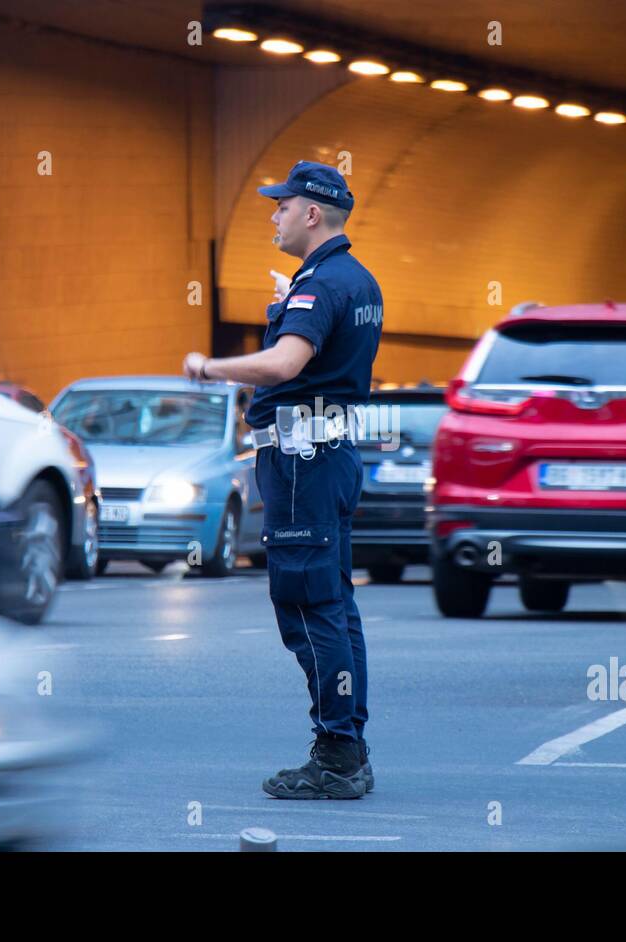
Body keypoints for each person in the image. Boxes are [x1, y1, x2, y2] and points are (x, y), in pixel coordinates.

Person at [182, 161, 382, 799]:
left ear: (312, 213)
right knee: (337, 606)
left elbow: (287, 362)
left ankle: (337, 758)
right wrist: (289, 301)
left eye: (282, 205)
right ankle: (347, 743)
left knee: (307, 606)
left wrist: (208, 367)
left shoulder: (319, 286)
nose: (274, 214)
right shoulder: (353, 279)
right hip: (328, 456)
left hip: (302, 464)